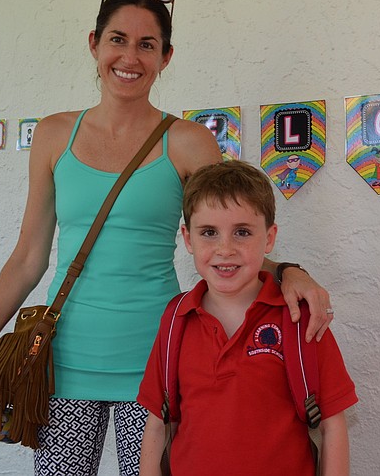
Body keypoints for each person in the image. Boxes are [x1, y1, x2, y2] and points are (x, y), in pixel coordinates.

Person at [0, 0, 334, 476]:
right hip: (62, 362)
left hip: (158, 362)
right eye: (118, 39)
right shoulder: (54, 135)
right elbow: (27, 258)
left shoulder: (188, 143)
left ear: (166, 57)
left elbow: (229, 241)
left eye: (147, 44)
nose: (130, 56)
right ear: (94, 43)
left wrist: (290, 271)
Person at [138, 160, 357, 476]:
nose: (225, 249)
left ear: (269, 239)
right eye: (209, 232)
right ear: (187, 239)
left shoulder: (300, 320)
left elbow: (333, 424)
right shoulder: (176, 321)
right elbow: (157, 426)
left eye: (242, 232)